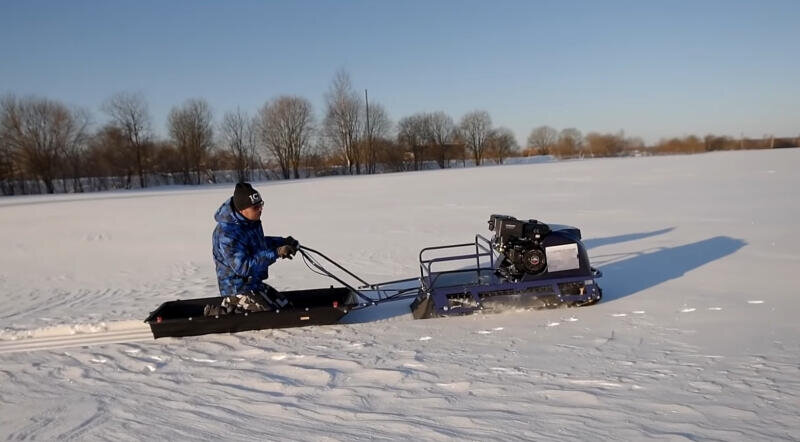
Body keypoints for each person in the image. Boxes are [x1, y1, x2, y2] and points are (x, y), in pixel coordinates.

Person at [208, 182, 298, 315]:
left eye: (261, 205)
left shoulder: (249, 221)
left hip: (254, 284)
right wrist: (276, 252)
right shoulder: (227, 234)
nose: (260, 209)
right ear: (242, 209)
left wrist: (283, 243)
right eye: (256, 207)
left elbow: (257, 244)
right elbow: (243, 267)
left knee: (286, 307)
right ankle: (228, 307)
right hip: (237, 288)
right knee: (269, 314)